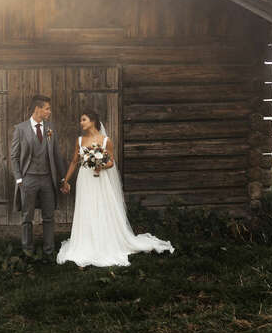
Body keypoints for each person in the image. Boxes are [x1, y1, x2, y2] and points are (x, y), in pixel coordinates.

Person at [56, 109, 174, 267]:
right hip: (85, 179)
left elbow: (111, 162)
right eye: (81, 120)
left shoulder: (106, 141)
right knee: (87, 208)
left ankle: (105, 241)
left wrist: (101, 165)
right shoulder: (80, 140)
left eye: (83, 119)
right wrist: (66, 180)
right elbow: (73, 162)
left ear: (92, 121)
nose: (81, 122)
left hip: (100, 179)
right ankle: (86, 241)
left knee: (101, 208)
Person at [10, 94, 70, 259]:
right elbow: (14, 157)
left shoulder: (50, 128)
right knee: (27, 216)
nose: (49, 111)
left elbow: (57, 155)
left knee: (49, 216)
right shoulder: (20, 129)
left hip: (47, 179)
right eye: (47, 108)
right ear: (38, 109)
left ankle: (49, 250)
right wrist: (19, 178)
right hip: (28, 179)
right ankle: (27, 249)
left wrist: (64, 178)